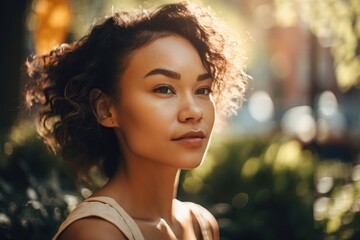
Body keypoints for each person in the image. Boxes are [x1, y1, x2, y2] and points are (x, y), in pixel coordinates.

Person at [25, 1, 247, 239]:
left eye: (203, 90)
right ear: (106, 109)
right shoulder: (97, 233)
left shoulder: (201, 225)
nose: (194, 111)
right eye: (164, 89)